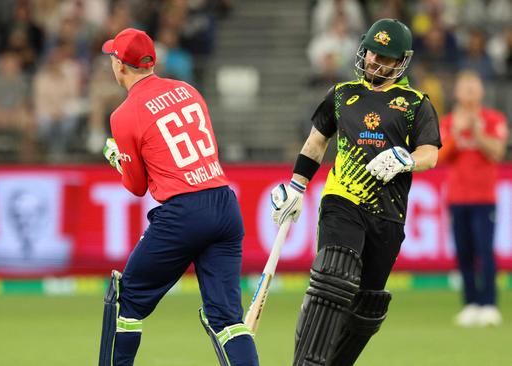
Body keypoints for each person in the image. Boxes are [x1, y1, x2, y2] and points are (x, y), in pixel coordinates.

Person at [269, 19, 441, 365]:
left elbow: (430, 154)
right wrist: (296, 188)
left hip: (389, 214)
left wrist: (405, 158)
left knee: (367, 305)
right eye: (373, 53)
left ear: (401, 61)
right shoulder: (342, 94)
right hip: (342, 200)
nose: (376, 61)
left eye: (385, 57)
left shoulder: (415, 103)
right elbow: (316, 143)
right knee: (334, 277)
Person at [97, 28, 259, 366]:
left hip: (183, 211)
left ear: (120, 65)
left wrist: (117, 160)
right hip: (223, 203)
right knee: (227, 319)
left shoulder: (123, 116)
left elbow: (137, 186)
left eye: (113, 57)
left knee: (125, 300)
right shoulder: (187, 90)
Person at [439, 71, 508, 327]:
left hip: (484, 197)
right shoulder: (448, 123)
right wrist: (457, 134)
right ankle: (470, 303)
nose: (468, 91)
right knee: (464, 252)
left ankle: (489, 304)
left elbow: (498, 152)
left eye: (473, 86)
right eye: (464, 87)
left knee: (485, 251)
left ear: (481, 91)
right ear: (457, 92)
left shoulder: (493, 119)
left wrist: (477, 133)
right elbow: (441, 157)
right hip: (457, 198)